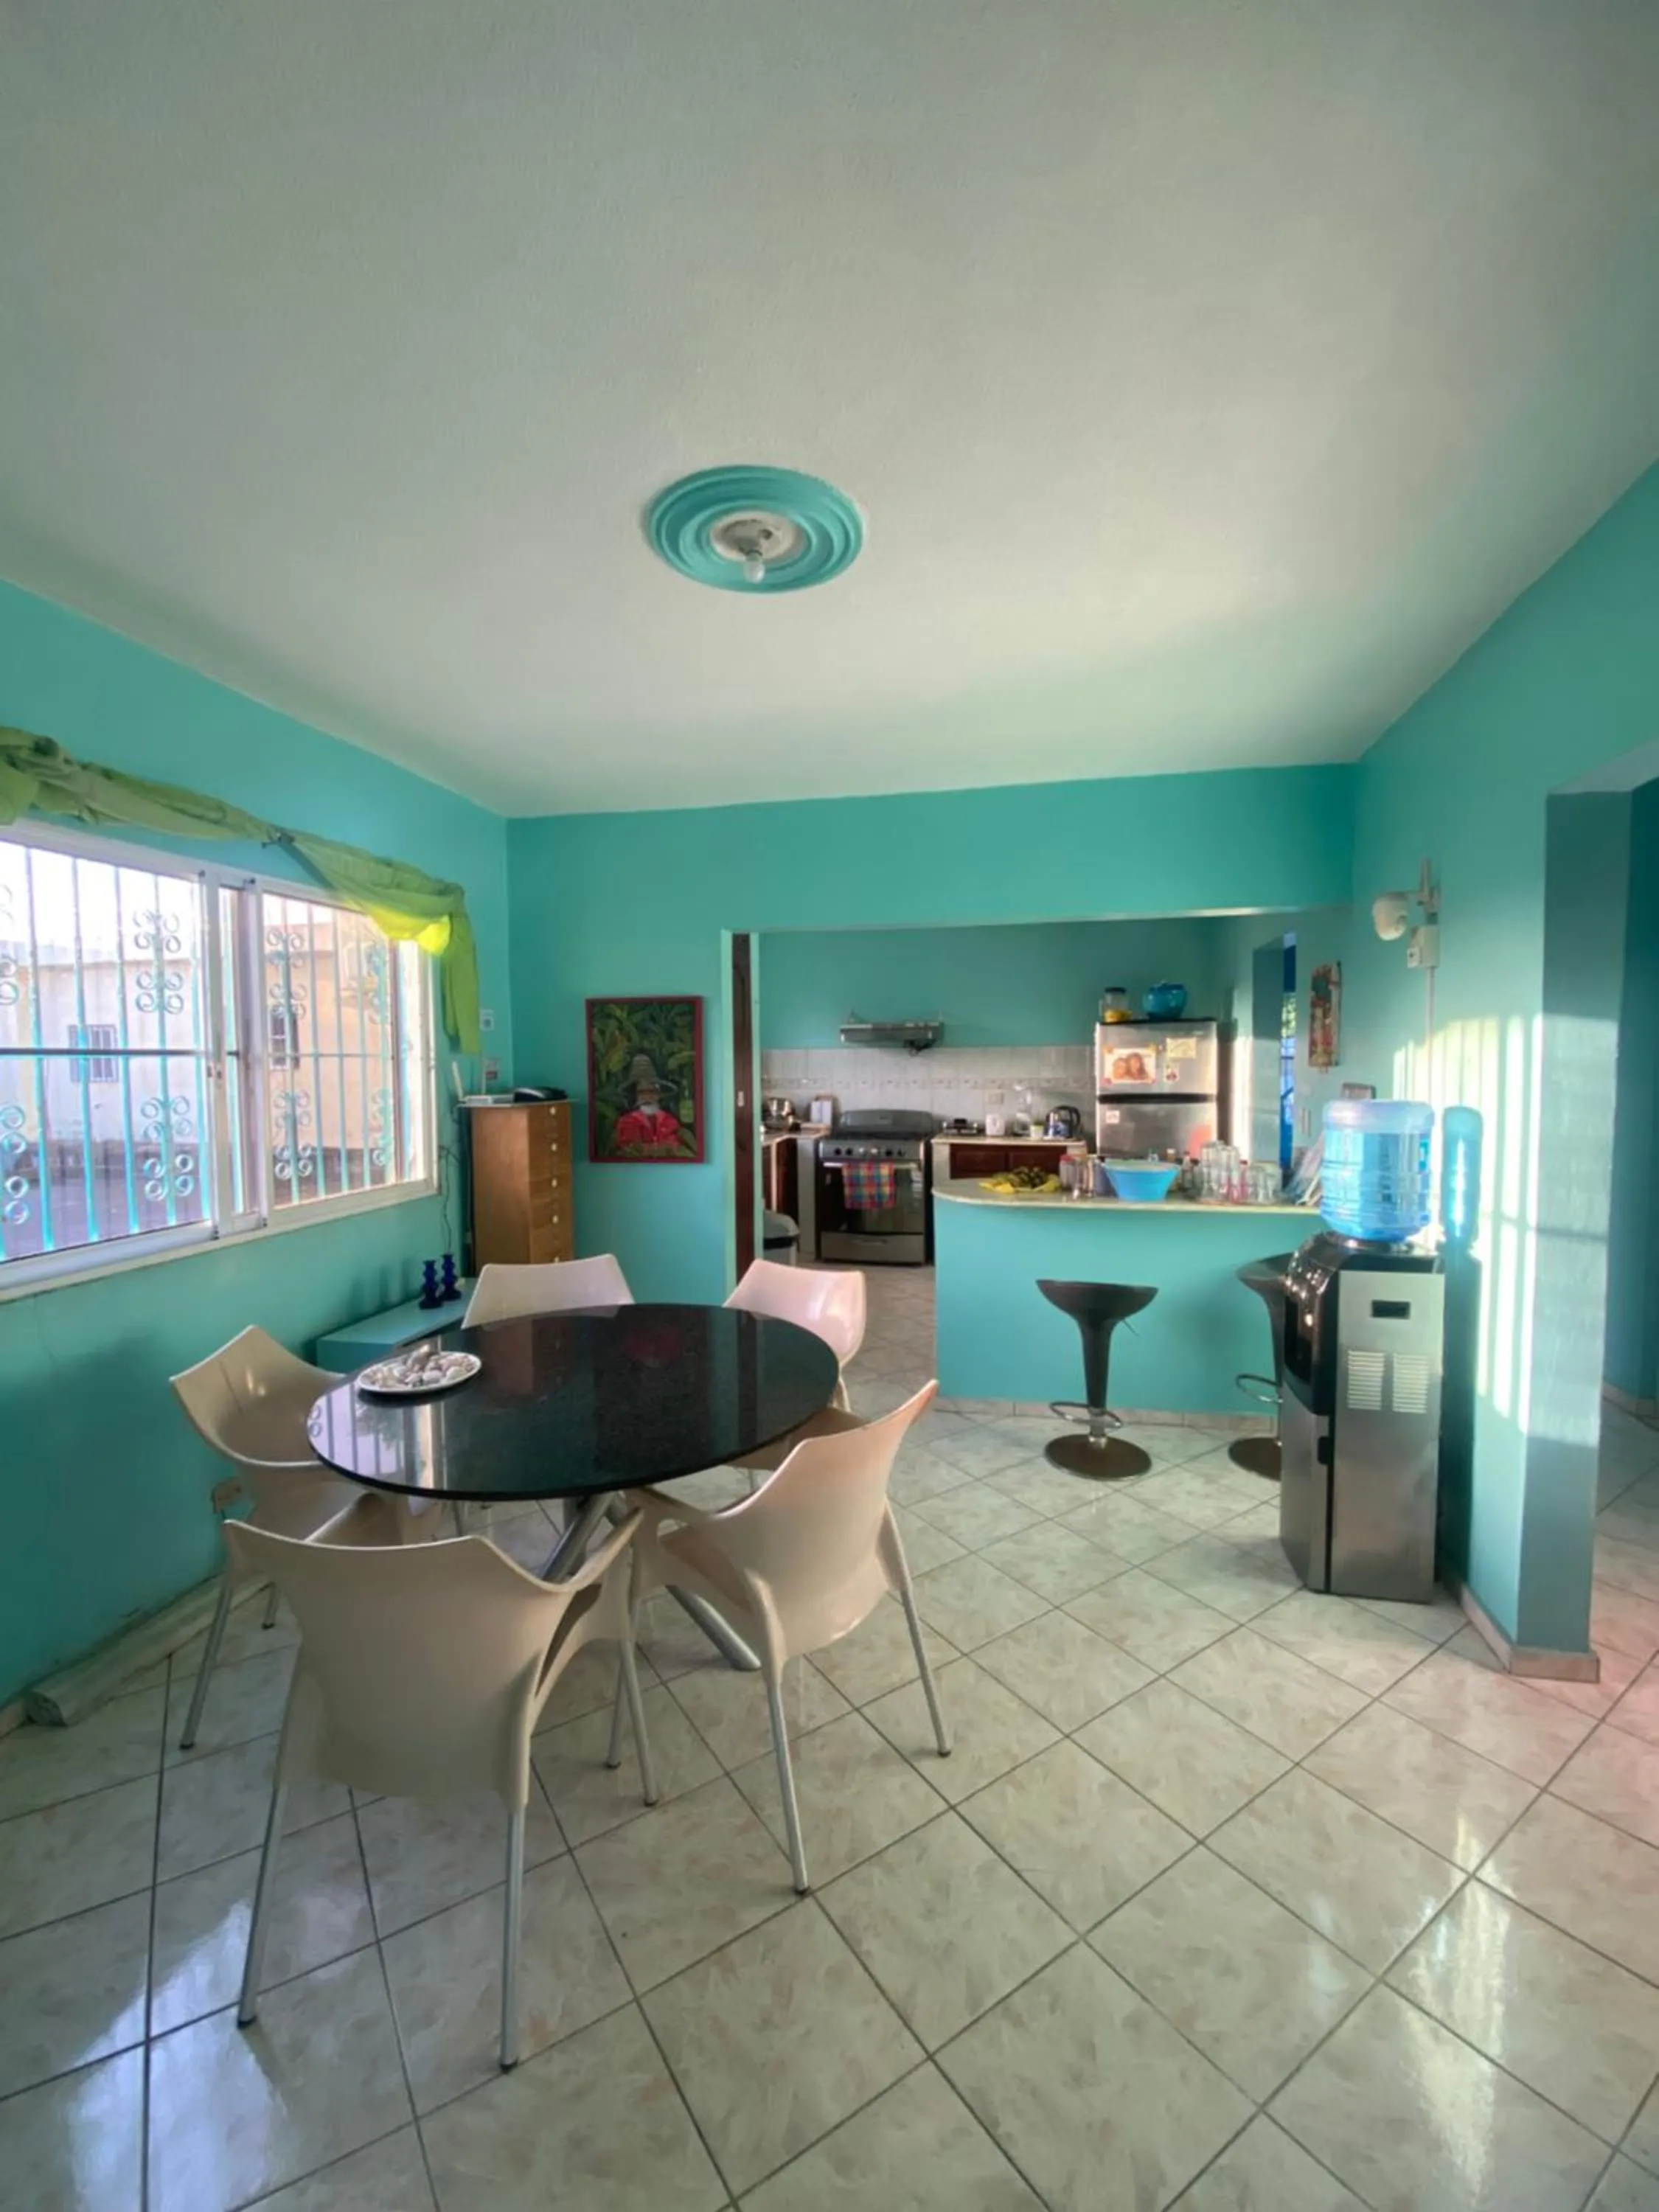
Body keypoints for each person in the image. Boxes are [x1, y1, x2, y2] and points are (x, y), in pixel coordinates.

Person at [613, 1052, 684, 1155]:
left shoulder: (670, 1121)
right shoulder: (626, 1122)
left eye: (651, 1092)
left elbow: (676, 1146)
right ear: (636, 1095)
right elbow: (629, 1148)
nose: (647, 1097)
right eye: (642, 1092)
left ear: (659, 1094)